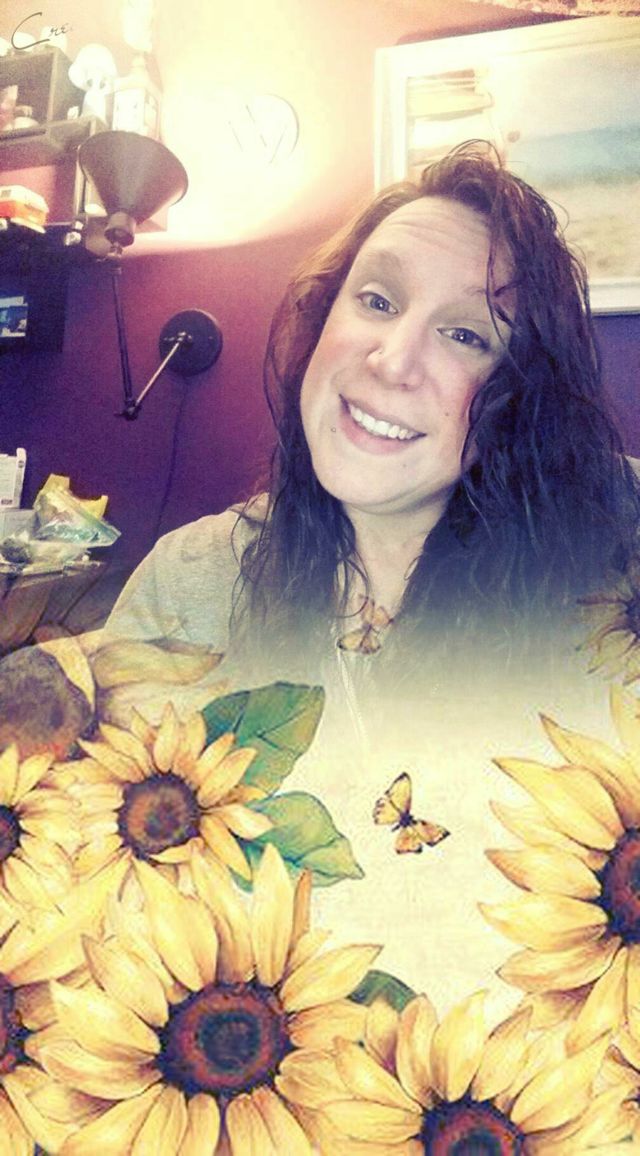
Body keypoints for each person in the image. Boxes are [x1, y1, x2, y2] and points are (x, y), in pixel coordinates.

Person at [105, 139, 639, 711]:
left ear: (519, 395)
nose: (393, 362)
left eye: (465, 335)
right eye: (378, 302)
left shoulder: (619, 542)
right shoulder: (187, 586)